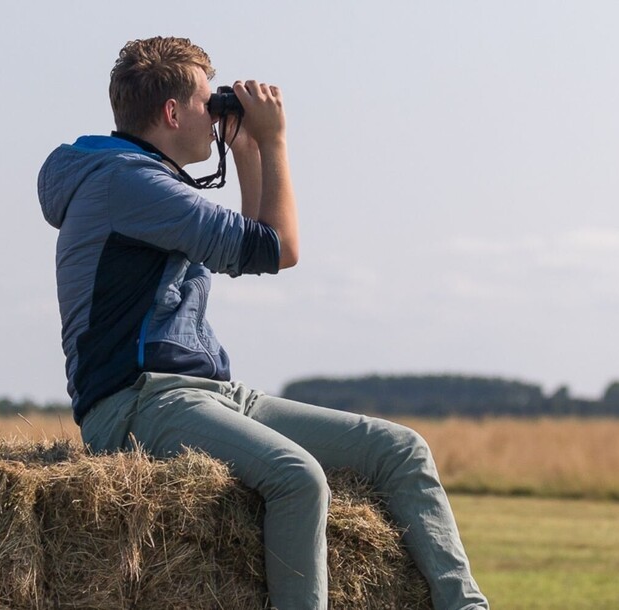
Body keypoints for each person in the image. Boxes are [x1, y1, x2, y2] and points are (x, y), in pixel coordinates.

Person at [35, 36, 490, 610]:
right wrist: (275, 141)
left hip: (204, 394)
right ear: (173, 113)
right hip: (136, 403)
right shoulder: (128, 185)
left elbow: (252, 249)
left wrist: (246, 150)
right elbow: (281, 247)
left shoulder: (142, 181)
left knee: (399, 449)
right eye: (209, 101)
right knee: (298, 478)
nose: (218, 111)